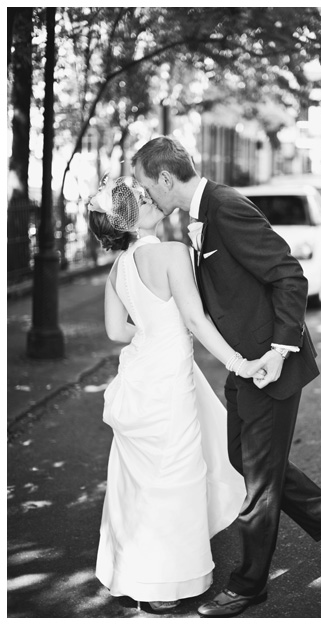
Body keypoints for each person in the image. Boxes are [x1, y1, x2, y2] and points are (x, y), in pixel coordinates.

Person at [132, 136, 321, 618]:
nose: (145, 196)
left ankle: (248, 586)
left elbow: (290, 275)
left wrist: (279, 353)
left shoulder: (225, 207)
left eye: (144, 185)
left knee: (259, 482)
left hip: (268, 365)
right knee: (241, 455)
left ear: (164, 178)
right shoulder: (200, 218)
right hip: (243, 364)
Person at [88, 175, 252, 613]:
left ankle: (134, 574)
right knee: (175, 472)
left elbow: (113, 330)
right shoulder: (172, 254)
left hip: (141, 373)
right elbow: (196, 321)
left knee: (140, 478)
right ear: (131, 218)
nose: (150, 198)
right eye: (141, 199)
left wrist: (153, 331)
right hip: (170, 378)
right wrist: (239, 363)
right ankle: (164, 584)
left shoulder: (118, 268)